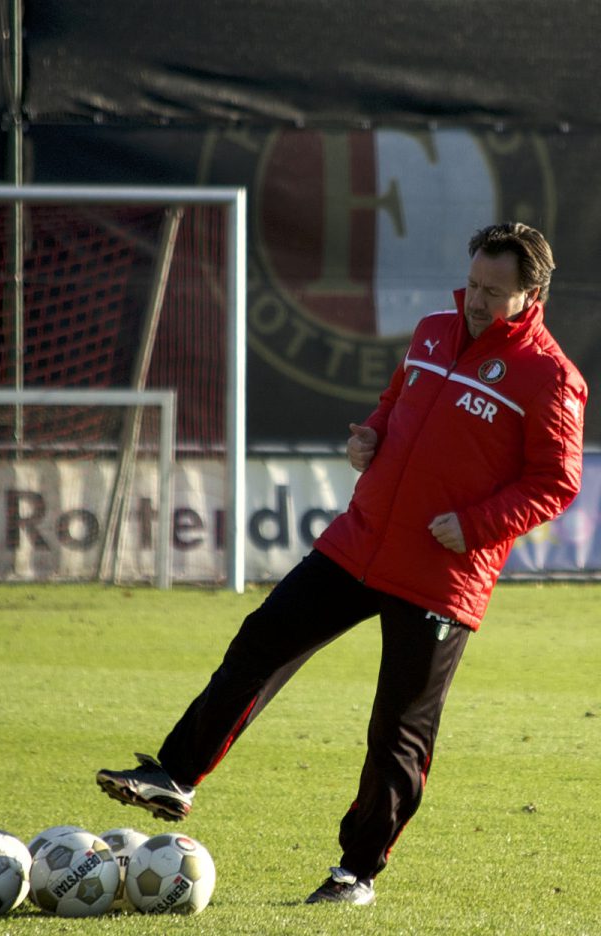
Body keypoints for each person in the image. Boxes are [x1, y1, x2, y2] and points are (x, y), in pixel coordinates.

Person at [96, 222, 587, 907]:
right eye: (474, 283)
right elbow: (396, 402)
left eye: (494, 292)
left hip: (442, 576)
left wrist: (474, 526)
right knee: (261, 641)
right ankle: (176, 775)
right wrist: (371, 435)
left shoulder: (551, 376)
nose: (477, 300)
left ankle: (355, 875)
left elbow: (556, 483)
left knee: (397, 731)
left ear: (531, 293)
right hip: (358, 540)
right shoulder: (433, 330)